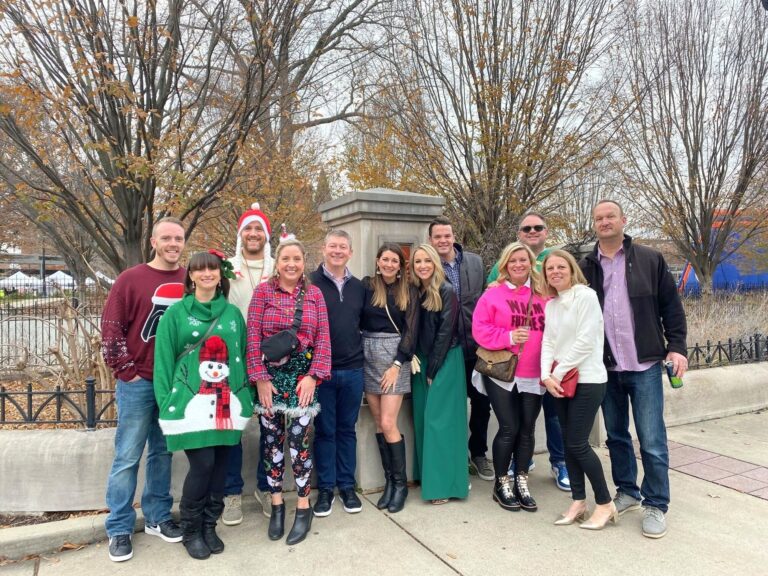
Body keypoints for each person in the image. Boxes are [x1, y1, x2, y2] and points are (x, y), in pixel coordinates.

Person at [579, 200, 688, 539]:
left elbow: (671, 307)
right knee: (616, 435)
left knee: (652, 439)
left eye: (610, 216)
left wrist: (677, 346)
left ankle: (656, 504)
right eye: (599, 218)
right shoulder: (585, 267)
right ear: (594, 224)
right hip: (606, 367)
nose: (604, 222)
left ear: (623, 220)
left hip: (644, 364)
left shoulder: (650, 259)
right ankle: (627, 491)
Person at [153, 250, 254, 559]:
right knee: (203, 465)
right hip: (192, 404)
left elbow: (242, 356)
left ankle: (210, 526)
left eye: (212, 269)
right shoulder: (176, 314)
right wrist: (166, 403)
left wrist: (245, 396)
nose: (207, 274)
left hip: (226, 405)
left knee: (221, 466)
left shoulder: (232, 314)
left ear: (220, 275)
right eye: (200, 269)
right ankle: (191, 529)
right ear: (191, 276)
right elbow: (164, 360)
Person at [101, 217, 186, 562]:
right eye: (166, 238)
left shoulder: (189, 279)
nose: (173, 244)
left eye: (178, 238)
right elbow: (111, 328)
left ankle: (157, 516)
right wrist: (126, 371)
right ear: (153, 242)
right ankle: (119, 527)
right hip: (138, 382)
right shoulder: (130, 279)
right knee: (127, 455)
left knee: (163, 452)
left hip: (173, 384)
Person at [246, 236, 331, 545]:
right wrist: (259, 378)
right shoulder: (263, 292)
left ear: (303, 262)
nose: (291, 264)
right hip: (269, 377)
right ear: (277, 262)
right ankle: (277, 504)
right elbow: (252, 335)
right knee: (271, 442)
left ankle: (304, 506)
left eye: (297, 259)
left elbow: (323, 338)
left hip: (302, 378)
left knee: (299, 442)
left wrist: (313, 376)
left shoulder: (314, 294)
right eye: (286, 259)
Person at [486, 213, 569, 491]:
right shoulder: (498, 280)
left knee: (541, 422)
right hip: (509, 368)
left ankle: (545, 468)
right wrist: (508, 335)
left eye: (537, 227)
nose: (532, 231)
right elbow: (484, 320)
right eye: (526, 228)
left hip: (543, 367)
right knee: (513, 425)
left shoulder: (551, 275)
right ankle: (512, 471)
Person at [540, 250, 614, 529]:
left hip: (587, 380)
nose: (555, 272)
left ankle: (605, 504)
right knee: (569, 444)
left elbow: (585, 341)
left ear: (572, 270)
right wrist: (546, 376)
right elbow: (549, 342)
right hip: (559, 382)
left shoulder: (586, 296)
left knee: (577, 444)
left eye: (561, 266)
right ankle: (579, 501)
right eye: (550, 268)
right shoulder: (552, 304)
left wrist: (556, 374)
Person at [472, 242, 547, 512]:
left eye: (523, 260)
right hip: (502, 371)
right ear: (505, 264)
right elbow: (479, 330)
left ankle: (521, 481)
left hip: (534, 373)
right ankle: (502, 483)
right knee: (509, 427)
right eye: (512, 260)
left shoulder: (544, 294)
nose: (518, 265)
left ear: (531, 263)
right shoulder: (492, 295)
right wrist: (509, 337)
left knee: (527, 429)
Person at [222, 203, 274, 526]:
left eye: (259, 229)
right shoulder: (227, 269)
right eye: (248, 229)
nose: (253, 234)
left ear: (266, 236)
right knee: (234, 427)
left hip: (272, 359)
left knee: (271, 425)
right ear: (241, 234)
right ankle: (231, 492)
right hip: (235, 359)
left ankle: (266, 486)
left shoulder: (277, 268)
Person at [428, 216, 492, 481]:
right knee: (452, 406)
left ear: (454, 237)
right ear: (430, 240)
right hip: (448, 350)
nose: (443, 240)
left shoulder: (475, 262)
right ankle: (456, 456)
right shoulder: (427, 265)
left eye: (447, 235)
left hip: (478, 348)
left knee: (481, 403)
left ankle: (478, 453)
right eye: (437, 237)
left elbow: (487, 298)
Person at [310, 230, 366, 517]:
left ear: (350, 252)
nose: (337, 251)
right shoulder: (310, 283)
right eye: (332, 246)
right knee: (324, 431)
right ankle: (325, 489)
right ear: (324, 249)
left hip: (354, 369)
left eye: (343, 247)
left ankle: (346, 486)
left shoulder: (359, 287)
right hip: (321, 372)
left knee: (347, 430)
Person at [362, 243, 419, 513]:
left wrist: (397, 363)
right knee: (378, 423)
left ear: (400, 265)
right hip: (368, 355)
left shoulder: (409, 290)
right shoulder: (367, 286)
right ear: (378, 261)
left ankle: (400, 485)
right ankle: (388, 482)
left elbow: (411, 330)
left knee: (388, 422)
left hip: (395, 357)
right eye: (385, 259)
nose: (389, 264)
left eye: (394, 261)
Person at [410, 244, 469, 504]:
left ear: (435, 262)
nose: (423, 266)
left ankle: (443, 486)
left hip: (444, 360)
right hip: (421, 361)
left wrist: (433, 368)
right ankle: (427, 477)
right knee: (423, 419)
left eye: (427, 261)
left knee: (440, 423)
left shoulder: (446, 290)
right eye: (417, 262)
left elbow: (446, 333)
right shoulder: (416, 290)